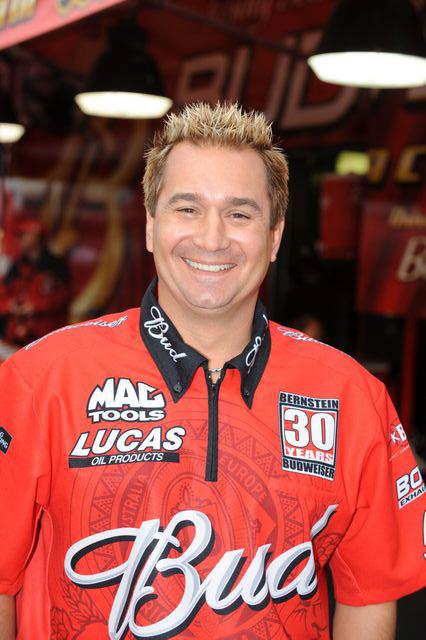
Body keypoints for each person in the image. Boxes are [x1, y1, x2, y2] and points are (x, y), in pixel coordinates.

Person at [0, 102, 425, 640]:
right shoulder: (39, 381)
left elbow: (370, 595)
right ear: (150, 225)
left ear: (274, 237)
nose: (212, 237)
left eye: (240, 214)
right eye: (188, 208)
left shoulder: (352, 396)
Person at [0, 216, 69, 346]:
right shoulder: (16, 266)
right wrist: (10, 305)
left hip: (47, 338)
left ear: (36, 236)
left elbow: (62, 298)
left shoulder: (55, 266)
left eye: (23, 235)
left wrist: (34, 306)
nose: (19, 240)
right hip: (15, 339)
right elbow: (3, 293)